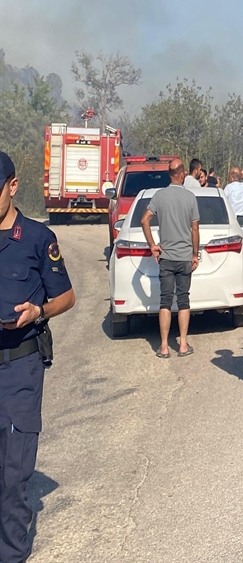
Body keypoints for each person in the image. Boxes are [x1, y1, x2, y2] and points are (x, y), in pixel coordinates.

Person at [0, 150, 76, 563]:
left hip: (19, 368)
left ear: (12, 187)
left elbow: (66, 296)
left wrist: (38, 312)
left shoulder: (37, 239)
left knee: (12, 476)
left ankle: (12, 553)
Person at [141, 158, 200, 359]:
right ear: (183, 175)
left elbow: (144, 220)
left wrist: (152, 245)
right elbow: (194, 229)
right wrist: (194, 254)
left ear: (169, 175)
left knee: (165, 301)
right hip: (184, 258)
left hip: (166, 257)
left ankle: (164, 346)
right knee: (183, 300)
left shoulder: (159, 196)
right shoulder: (190, 197)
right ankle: (182, 344)